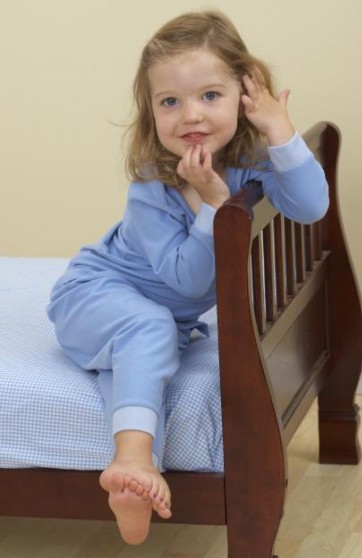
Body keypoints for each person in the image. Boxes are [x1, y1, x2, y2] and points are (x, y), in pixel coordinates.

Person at [47, 9, 329, 545]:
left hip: (155, 318)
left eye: (210, 95)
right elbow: (187, 283)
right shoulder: (152, 188)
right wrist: (214, 207)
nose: (190, 114)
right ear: (150, 111)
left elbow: (311, 206)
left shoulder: (251, 163)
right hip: (91, 295)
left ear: (245, 93)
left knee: (143, 356)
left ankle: (131, 479)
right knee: (148, 329)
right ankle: (135, 461)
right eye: (169, 102)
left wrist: (280, 130)